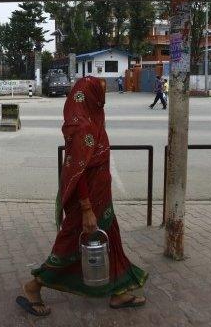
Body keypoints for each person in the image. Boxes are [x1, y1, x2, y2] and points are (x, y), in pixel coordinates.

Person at [17, 77, 147, 317]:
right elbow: (78, 171)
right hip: (87, 203)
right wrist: (87, 209)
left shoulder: (92, 120)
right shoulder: (83, 127)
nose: (103, 97)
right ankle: (33, 287)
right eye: (100, 91)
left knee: (113, 241)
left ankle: (119, 292)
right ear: (89, 96)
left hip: (101, 198)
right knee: (68, 246)